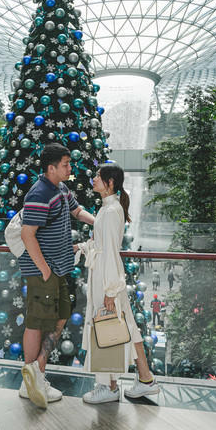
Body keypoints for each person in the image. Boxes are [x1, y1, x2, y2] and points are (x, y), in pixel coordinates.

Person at [19, 143, 95, 409]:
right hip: (44, 271)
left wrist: (99, 221)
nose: (70, 168)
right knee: (37, 322)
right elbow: (27, 234)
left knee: (60, 315)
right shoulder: (39, 193)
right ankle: (31, 382)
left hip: (59, 269)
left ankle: (35, 374)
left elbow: (76, 211)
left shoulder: (61, 189)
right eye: (65, 164)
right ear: (51, 168)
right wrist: (44, 269)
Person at [76, 163, 160, 404]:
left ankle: (109, 386)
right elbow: (103, 245)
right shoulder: (108, 208)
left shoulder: (111, 210)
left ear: (110, 182)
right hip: (107, 275)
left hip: (107, 278)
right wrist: (83, 247)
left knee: (106, 325)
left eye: (97, 177)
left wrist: (111, 290)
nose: (93, 179)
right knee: (127, 327)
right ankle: (144, 379)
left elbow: (111, 251)